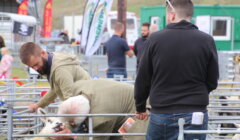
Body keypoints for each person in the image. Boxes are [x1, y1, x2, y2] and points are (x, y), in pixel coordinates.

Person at [134, 0, 219, 140]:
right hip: (195, 112)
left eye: (167, 15)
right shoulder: (207, 40)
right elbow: (212, 80)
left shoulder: (154, 39)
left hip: (162, 112)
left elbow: (143, 78)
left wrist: (140, 106)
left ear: (172, 15)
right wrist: (196, 96)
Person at [52, 79, 148, 140]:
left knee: (129, 136)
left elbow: (98, 138)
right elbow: (72, 114)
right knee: (117, 135)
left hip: (138, 109)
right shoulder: (76, 89)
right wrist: (67, 128)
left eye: (73, 122)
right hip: (118, 106)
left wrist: (71, 136)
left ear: (85, 117)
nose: (73, 124)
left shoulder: (101, 118)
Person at [19, 42, 91, 111]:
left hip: (89, 106)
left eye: (36, 64)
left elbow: (70, 101)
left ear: (43, 53)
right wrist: (38, 105)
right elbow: (55, 89)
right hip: (84, 104)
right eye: (32, 67)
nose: (35, 69)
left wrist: (66, 123)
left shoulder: (60, 70)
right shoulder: (53, 61)